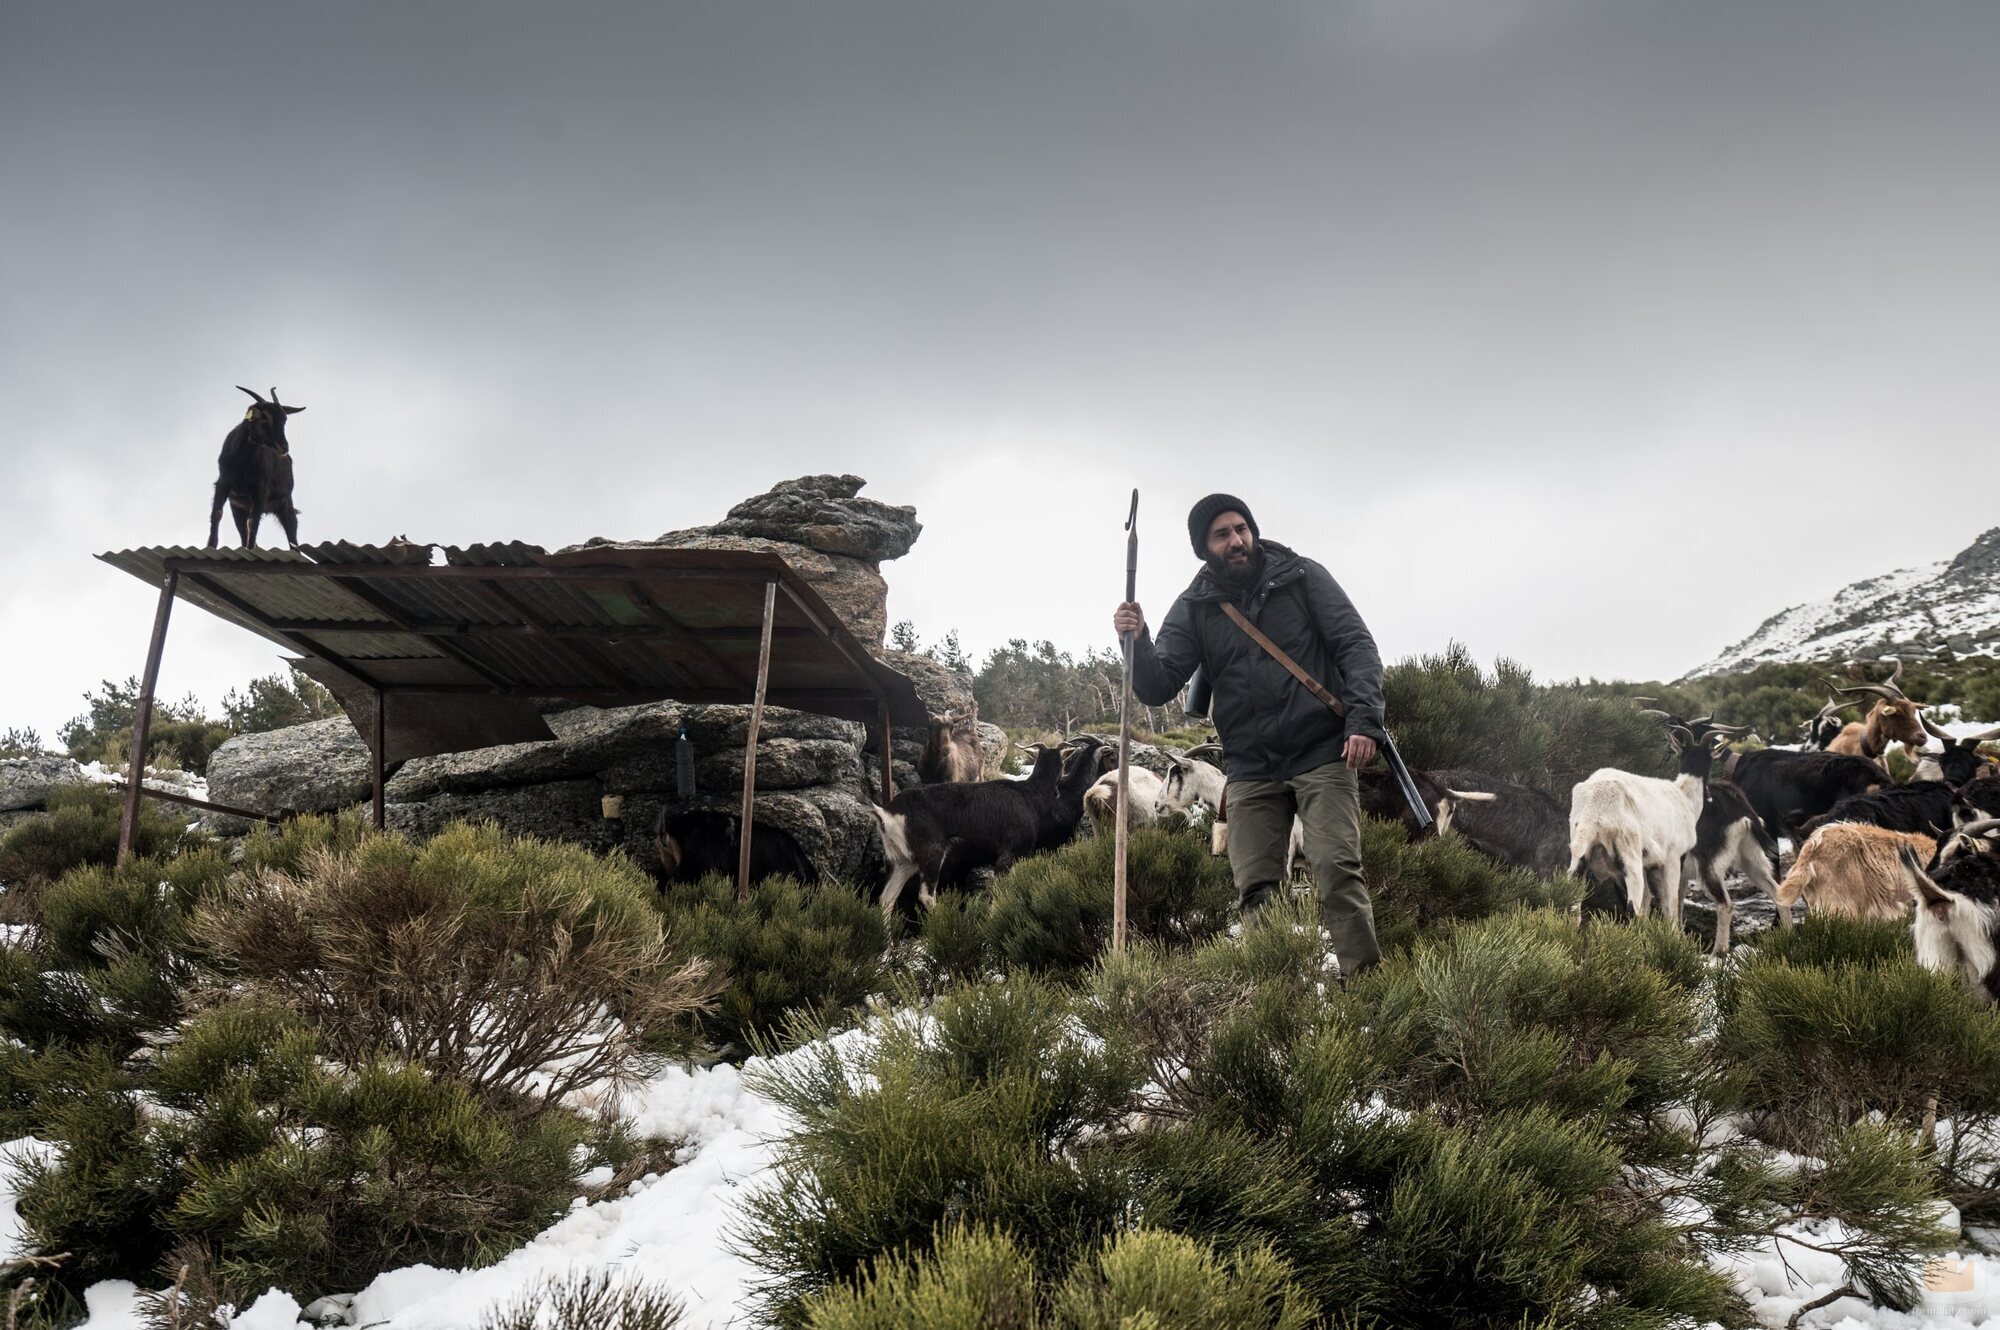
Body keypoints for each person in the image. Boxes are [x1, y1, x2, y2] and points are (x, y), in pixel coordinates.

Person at [1113, 493, 1388, 973]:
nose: (1237, 540)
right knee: (1257, 889)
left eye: (1242, 528)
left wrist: (1364, 720)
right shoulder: (1195, 607)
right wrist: (1135, 639)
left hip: (1322, 752)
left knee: (1336, 873)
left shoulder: (1302, 577)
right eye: (1222, 534)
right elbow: (1158, 685)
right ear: (1204, 548)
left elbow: (1357, 647)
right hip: (1251, 766)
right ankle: (1275, 999)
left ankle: (1365, 993)